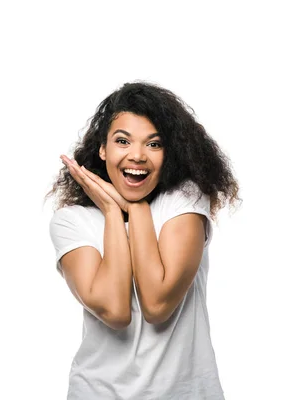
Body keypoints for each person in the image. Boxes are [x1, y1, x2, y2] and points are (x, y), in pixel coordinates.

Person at [46, 81, 240, 399]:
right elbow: (115, 311)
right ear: (103, 149)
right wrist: (112, 210)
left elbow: (157, 303)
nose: (137, 155)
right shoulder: (72, 221)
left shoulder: (185, 200)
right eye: (123, 141)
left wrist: (133, 207)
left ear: (169, 152)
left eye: (154, 144)